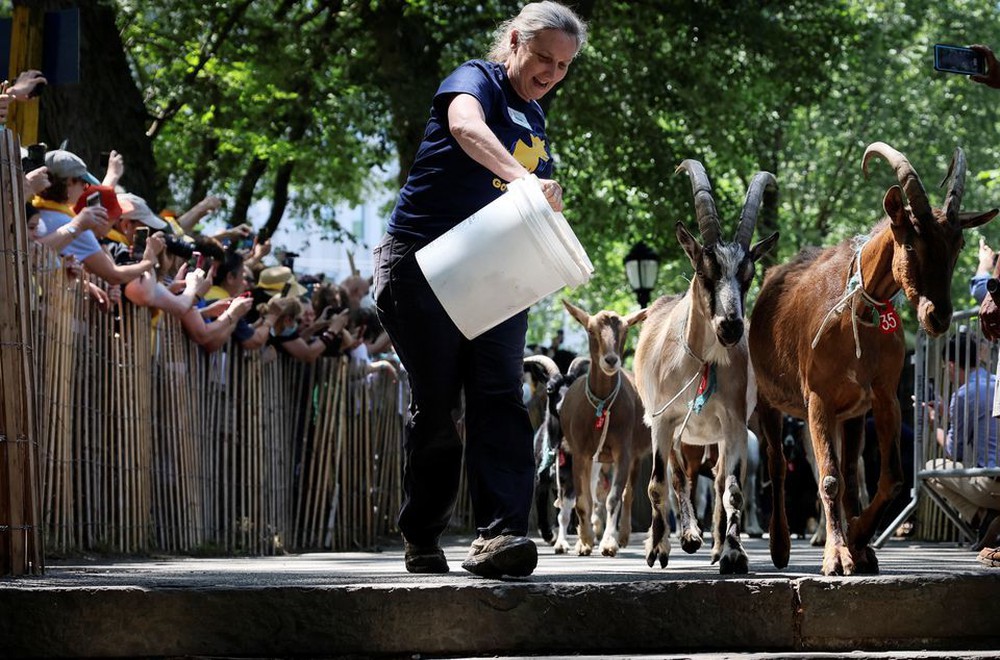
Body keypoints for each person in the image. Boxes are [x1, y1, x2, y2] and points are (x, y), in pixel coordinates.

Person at [372, 1, 587, 577]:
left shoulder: (536, 119)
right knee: (438, 408)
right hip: (421, 269)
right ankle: (422, 534)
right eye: (543, 57)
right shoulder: (475, 80)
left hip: (491, 274)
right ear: (514, 40)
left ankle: (502, 537)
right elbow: (466, 128)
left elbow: (527, 206)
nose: (550, 73)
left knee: (499, 396)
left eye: (563, 66)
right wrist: (527, 183)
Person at [925, 333, 1000, 550]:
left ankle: (983, 518)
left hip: (992, 486)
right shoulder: (996, 383)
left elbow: (952, 451)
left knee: (932, 468)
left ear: (950, 364)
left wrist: (935, 424)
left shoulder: (963, 395)